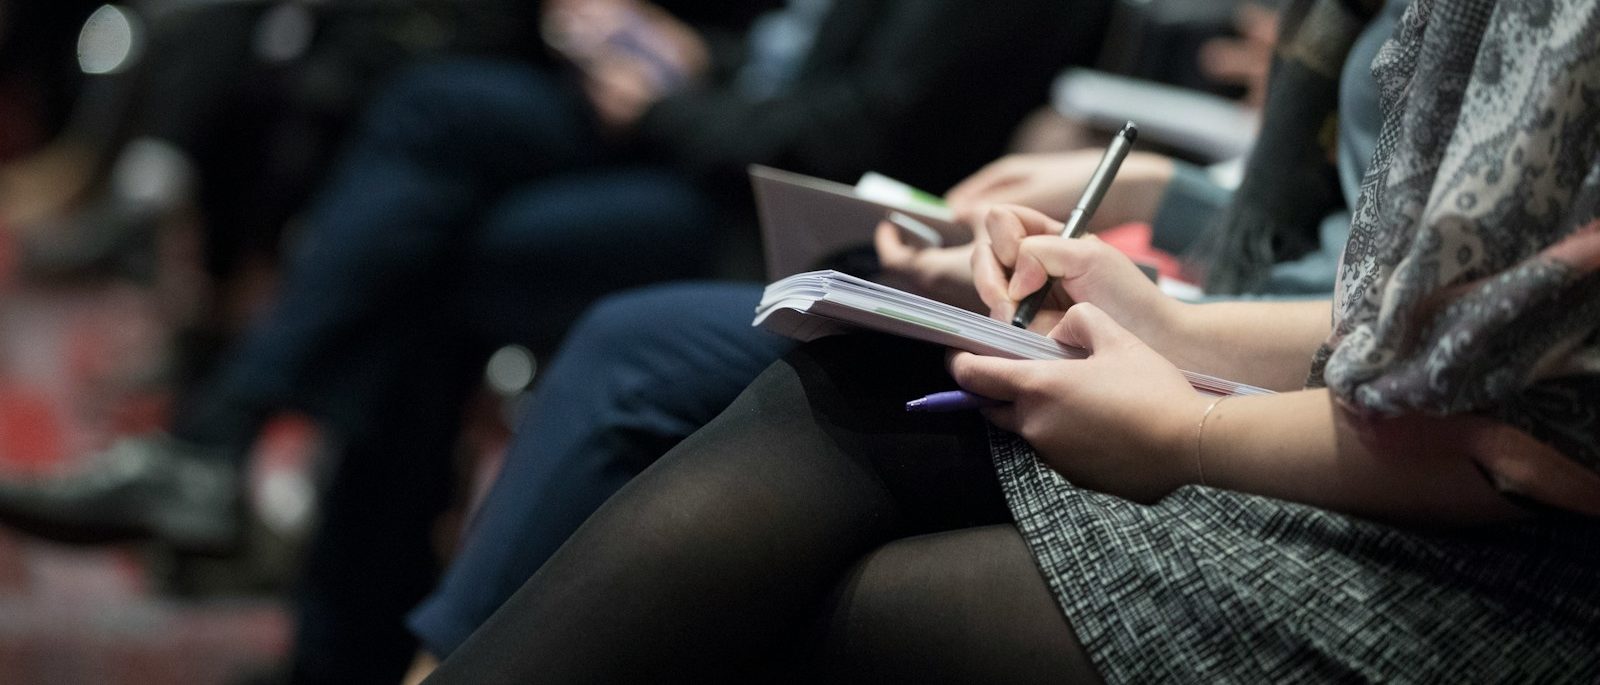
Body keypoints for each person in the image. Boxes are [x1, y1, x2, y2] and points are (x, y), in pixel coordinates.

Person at [422, 0, 1600, 680]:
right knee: (840, 377)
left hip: (1515, 574)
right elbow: (1397, 316)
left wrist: (1189, 424)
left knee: (842, 593)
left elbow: (1513, 434)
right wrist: (1168, 320)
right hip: (1377, 423)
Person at [0, 1, 1100, 681]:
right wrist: (679, 54)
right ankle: (257, 500)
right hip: (710, 130)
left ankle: (318, 582)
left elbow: (846, 135)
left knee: (436, 266)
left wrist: (664, 100)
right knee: (429, 109)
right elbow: (782, 50)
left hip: (790, 212)